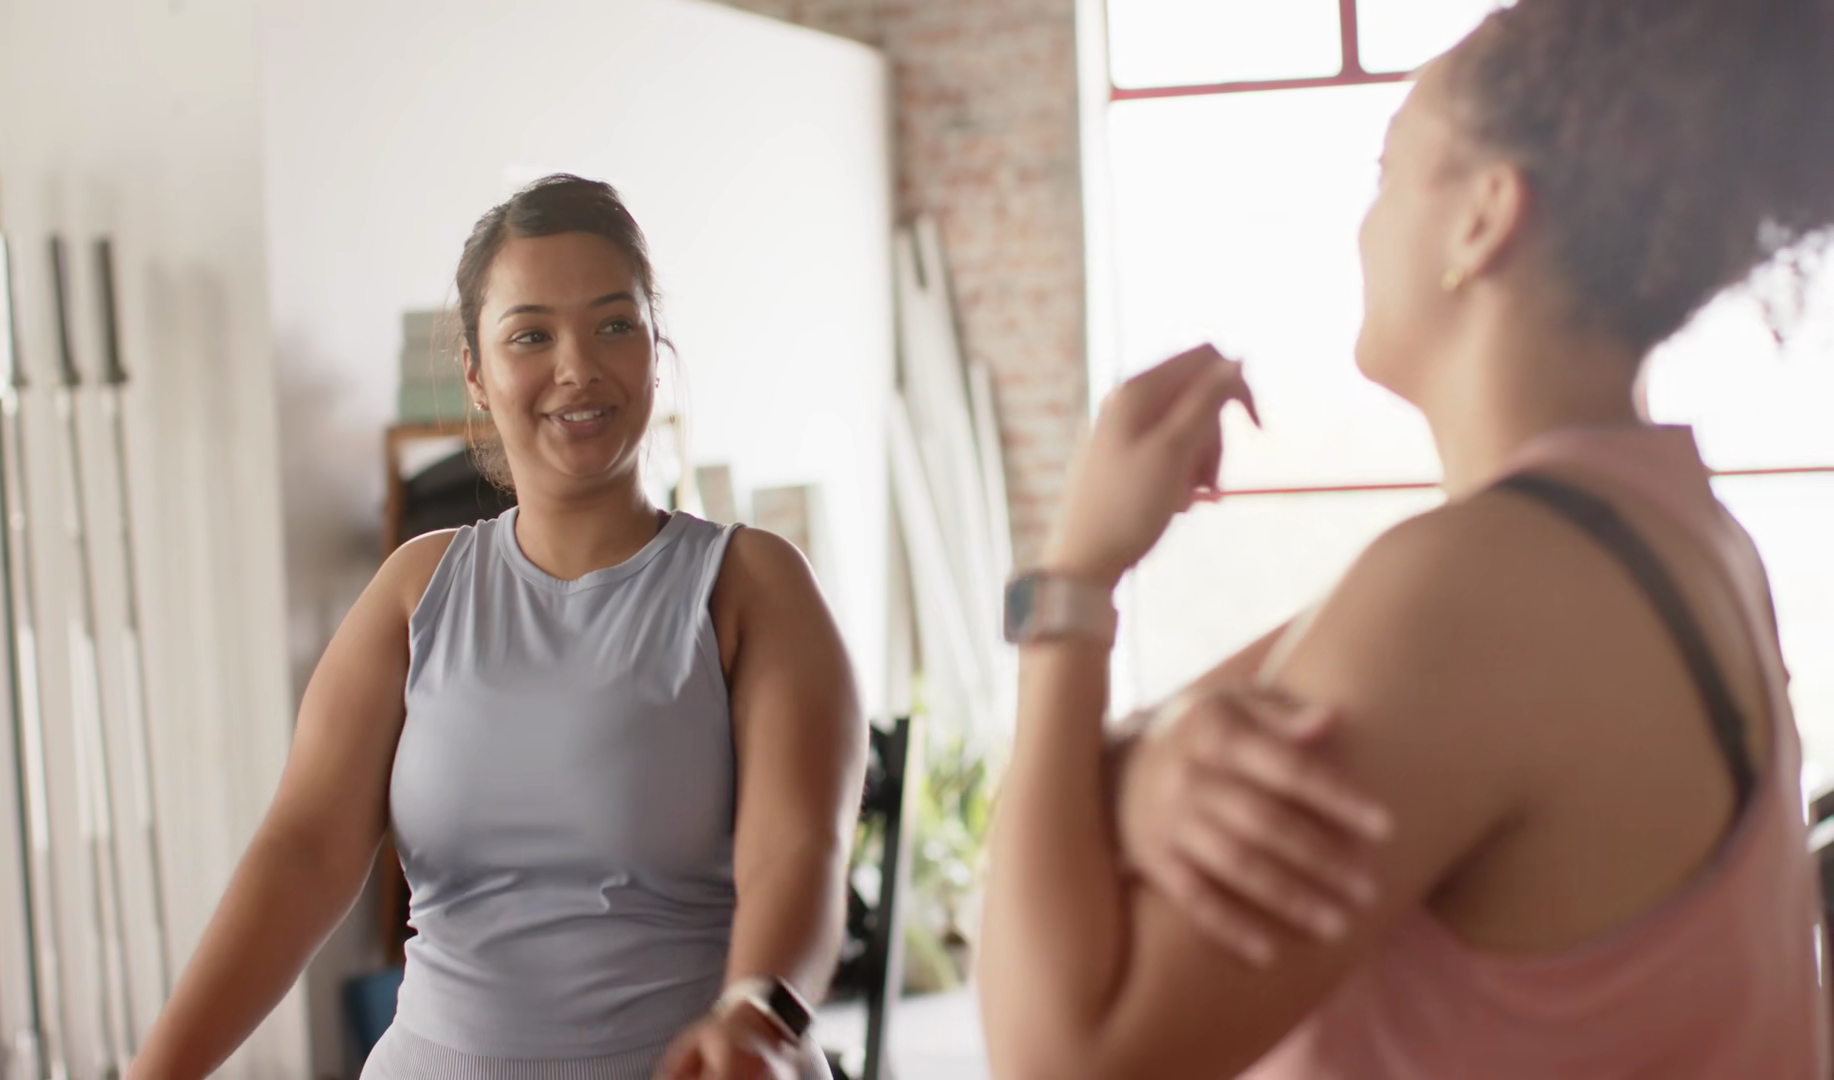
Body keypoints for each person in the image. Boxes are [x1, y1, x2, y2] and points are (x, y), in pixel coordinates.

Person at [980, 0, 1834, 1076]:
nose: (1361, 226)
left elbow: (1061, 1059)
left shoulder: (1483, 593)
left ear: (1483, 219)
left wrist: (1074, 576)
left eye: (1387, 172)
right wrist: (1152, 764)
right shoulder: (1657, 528)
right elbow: (1120, 756)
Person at [130, 176, 867, 1080]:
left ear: (655, 350)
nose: (577, 368)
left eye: (614, 324)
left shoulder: (753, 585)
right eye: (531, 335)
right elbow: (305, 851)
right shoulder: (416, 589)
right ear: (476, 374)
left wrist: (759, 1012)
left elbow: (801, 848)